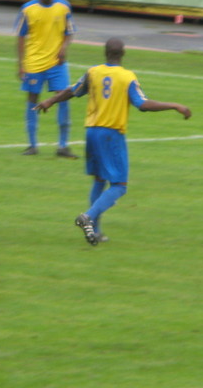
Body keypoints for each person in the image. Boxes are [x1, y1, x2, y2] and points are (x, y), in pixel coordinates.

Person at [35, 37, 191, 245]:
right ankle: (88, 217)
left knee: (99, 180)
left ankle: (95, 232)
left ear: (105, 53)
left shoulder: (93, 72)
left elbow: (73, 91)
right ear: (123, 53)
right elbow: (142, 104)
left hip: (91, 132)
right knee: (119, 185)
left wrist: (50, 100)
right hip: (111, 135)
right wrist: (174, 105)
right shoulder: (127, 77)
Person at [14, 0, 77, 157]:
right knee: (32, 101)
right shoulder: (28, 9)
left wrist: (64, 47)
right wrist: (21, 64)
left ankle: (63, 146)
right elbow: (20, 37)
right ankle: (32, 145)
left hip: (57, 63)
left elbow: (69, 31)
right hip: (34, 64)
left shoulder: (63, 7)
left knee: (64, 98)